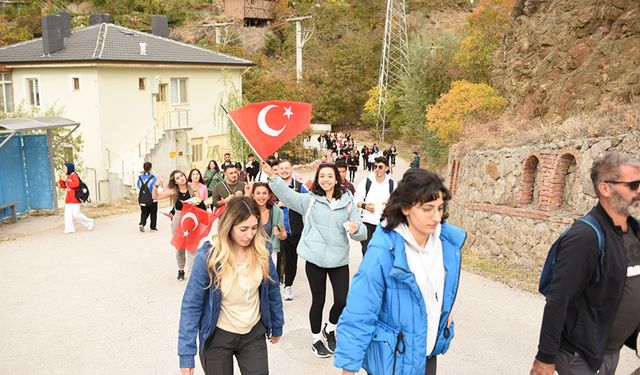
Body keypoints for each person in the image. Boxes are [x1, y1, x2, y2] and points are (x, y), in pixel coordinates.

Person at [334, 168, 466, 375]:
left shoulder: (447, 244)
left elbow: (444, 286)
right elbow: (360, 312)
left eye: (440, 208)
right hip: (393, 361)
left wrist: (446, 309)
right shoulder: (384, 251)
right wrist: (349, 368)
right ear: (405, 208)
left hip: (428, 354)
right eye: (427, 209)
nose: (436, 217)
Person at [530, 152, 640, 375]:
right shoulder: (585, 237)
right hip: (579, 356)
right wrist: (545, 358)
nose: (639, 190)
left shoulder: (634, 231)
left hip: (610, 352)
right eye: (633, 184)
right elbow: (557, 300)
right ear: (605, 188)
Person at [264, 161, 366, 358]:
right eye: (322, 176)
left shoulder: (348, 201)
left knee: (342, 300)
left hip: (339, 259)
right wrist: (272, 177)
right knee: (318, 300)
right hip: (315, 258)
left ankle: (331, 327)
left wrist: (356, 230)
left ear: (337, 178)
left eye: (330, 176)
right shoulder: (310, 199)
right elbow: (287, 196)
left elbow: (359, 230)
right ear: (318, 179)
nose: (326, 179)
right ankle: (316, 339)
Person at [178, 196, 284, 375]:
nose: (249, 235)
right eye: (243, 229)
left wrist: (277, 324)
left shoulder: (263, 250)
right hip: (217, 336)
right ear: (229, 226)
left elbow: (272, 290)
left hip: (253, 333)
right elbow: (191, 305)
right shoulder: (209, 256)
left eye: (254, 228)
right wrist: (186, 355)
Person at [152, 169, 201, 280]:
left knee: (192, 246)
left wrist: (195, 201)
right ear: (175, 182)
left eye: (182, 175)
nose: (181, 178)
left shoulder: (192, 188)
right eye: (177, 178)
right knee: (180, 246)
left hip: (192, 218)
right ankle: (181, 269)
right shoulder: (173, 191)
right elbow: (155, 197)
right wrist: (156, 186)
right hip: (178, 219)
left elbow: (200, 202)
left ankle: (192, 272)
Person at [273, 158, 309, 301]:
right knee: (275, 258)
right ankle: (275, 287)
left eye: (287, 168)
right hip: (276, 229)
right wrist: (277, 204)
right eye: (281, 168)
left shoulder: (300, 186)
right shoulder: (273, 187)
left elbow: (310, 201)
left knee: (291, 259)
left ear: (291, 169)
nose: (284, 171)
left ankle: (288, 286)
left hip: (294, 230)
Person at [354, 157, 397, 256]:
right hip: (367, 223)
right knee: (366, 251)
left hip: (385, 225)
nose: (377, 169)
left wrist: (390, 206)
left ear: (386, 168)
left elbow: (398, 203)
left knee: (382, 253)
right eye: (375, 166)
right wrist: (365, 206)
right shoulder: (367, 181)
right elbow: (356, 199)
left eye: (380, 167)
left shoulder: (392, 184)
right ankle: (367, 271)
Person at [251, 182, 287, 267]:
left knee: (269, 279)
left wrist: (279, 234)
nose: (261, 196)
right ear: (253, 195)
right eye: (258, 193)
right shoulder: (247, 211)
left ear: (269, 195)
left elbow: (284, 235)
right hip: (251, 252)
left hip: (270, 253)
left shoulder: (277, 212)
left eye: (264, 193)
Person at [58, 162, 94, 233]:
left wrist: (67, 180)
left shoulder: (74, 175)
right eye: (63, 168)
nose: (64, 169)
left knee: (76, 214)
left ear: (69, 168)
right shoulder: (67, 176)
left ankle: (89, 222)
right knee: (67, 215)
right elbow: (63, 186)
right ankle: (69, 229)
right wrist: (61, 179)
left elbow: (76, 184)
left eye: (65, 168)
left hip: (75, 199)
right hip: (68, 199)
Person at [137, 161, 158, 232]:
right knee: (153, 212)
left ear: (143, 168)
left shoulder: (140, 177)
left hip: (143, 197)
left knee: (144, 212)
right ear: (150, 168)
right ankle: (153, 228)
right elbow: (156, 187)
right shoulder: (153, 177)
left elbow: (138, 186)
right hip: (152, 198)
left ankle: (142, 223)